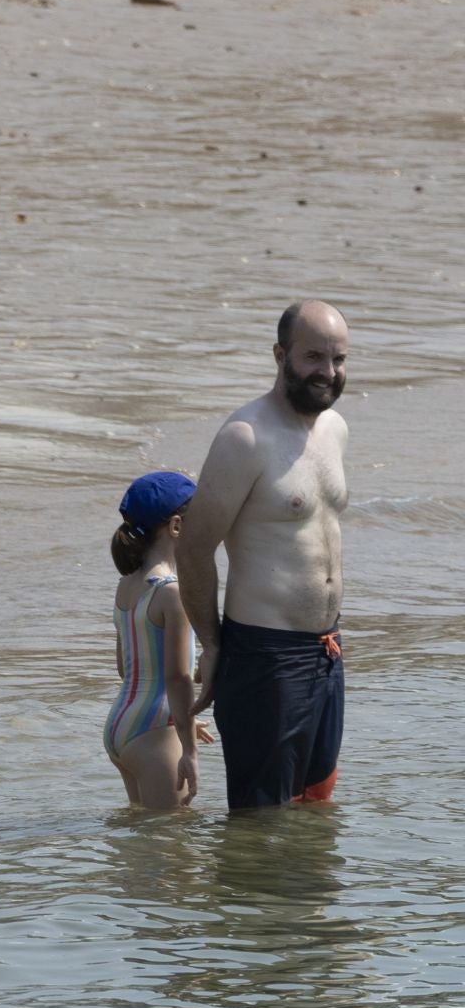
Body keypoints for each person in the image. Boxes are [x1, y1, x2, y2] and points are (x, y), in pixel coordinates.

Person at [178, 300, 350, 808]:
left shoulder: (335, 429)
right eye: (314, 357)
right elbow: (193, 548)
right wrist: (211, 645)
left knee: (316, 809)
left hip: (327, 651)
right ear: (280, 355)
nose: (328, 372)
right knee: (261, 826)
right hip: (264, 658)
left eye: (339, 359)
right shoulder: (244, 438)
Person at [104, 471, 207, 809]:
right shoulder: (174, 593)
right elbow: (176, 676)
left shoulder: (128, 585)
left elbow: (127, 668)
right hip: (155, 732)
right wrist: (188, 748)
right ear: (176, 526)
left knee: (145, 845)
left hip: (121, 725)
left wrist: (183, 718)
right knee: (174, 849)